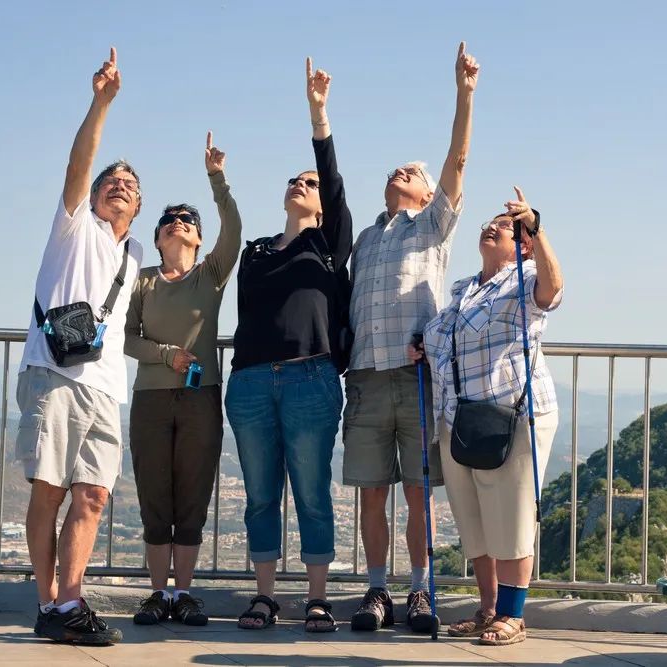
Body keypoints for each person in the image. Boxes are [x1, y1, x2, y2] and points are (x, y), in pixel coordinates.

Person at [344, 41, 479, 634]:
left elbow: (457, 160)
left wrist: (464, 95)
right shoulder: (366, 240)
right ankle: (378, 591)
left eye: (414, 172)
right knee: (372, 493)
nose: (403, 171)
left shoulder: (433, 227)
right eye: (397, 168)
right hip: (366, 377)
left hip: (417, 377)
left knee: (420, 494)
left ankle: (421, 591)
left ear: (428, 195)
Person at [17, 47, 143, 645]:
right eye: (111, 182)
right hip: (54, 374)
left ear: (137, 207)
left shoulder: (135, 254)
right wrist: (101, 103)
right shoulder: (74, 226)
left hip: (104, 387)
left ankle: (71, 602)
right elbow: (79, 163)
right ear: (93, 196)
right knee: (49, 488)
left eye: (130, 185)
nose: (120, 187)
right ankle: (47, 604)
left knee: (92, 494)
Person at [224, 59, 352, 632]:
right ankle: (265, 596)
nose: (300, 185)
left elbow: (332, 172)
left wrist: (318, 114)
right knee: (258, 496)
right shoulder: (255, 251)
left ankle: (318, 598)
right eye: (293, 181)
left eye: (310, 184)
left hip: (310, 378)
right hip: (250, 380)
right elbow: (246, 314)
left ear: (323, 204)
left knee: (312, 492)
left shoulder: (328, 245)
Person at [415, 188, 563, 646]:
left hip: (512, 415)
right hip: (458, 420)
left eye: (504, 226)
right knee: (474, 520)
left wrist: (536, 229)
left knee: (513, 516)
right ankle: (488, 609)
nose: (492, 226)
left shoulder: (526, 278)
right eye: (491, 222)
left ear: (523, 245)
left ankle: (513, 616)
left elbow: (554, 290)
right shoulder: (463, 291)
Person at [123, 131, 242, 626]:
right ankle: (157, 594)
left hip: (200, 399)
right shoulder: (142, 279)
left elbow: (233, 229)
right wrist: (167, 354)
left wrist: (217, 180)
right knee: (156, 494)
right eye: (168, 221)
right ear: (156, 238)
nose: (177, 224)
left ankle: (183, 593)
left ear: (195, 237)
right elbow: (127, 339)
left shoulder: (211, 274)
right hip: (150, 399)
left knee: (192, 494)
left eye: (186, 221)